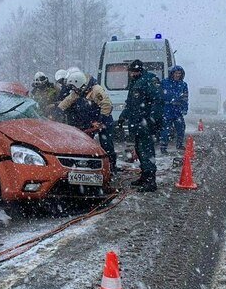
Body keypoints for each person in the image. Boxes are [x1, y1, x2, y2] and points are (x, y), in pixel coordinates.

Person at [59, 70, 117, 171]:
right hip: (91, 122)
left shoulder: (96, 90)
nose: (73, 90)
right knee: (86, 144)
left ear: (79, 84)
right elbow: (67, 101)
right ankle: (88, 164)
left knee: (106, 144)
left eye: (74, 87)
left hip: (104, 120)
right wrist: (58, 110)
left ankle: (111, 166)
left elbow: (106, 105)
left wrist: (100, 121)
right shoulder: (78, 91)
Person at [120, 60, 163, 192]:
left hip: (145, 124)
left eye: (133, 72)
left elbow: (158, 100)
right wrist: (123, 116)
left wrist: (152, 120)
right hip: (137, 124)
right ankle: (144, 177)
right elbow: (131, 104)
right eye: (130, 72)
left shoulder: (149, 80)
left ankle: (150, 182)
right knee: (140, 150)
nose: (131, 74)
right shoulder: (135, 82)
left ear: (138, 70)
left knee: (147, 152)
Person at [160, 65, 189, 154]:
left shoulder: (183, 85)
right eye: (176, 73)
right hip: (166, 109)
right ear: (172, 73)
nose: (177, 75)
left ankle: (179, 144)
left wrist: (184, 108)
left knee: (181, 127)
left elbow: (185, 98)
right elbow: (159, 95)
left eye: (179, 73)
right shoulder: (164, 82)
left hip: (178, 110)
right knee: (165, 129)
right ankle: (163, 147)